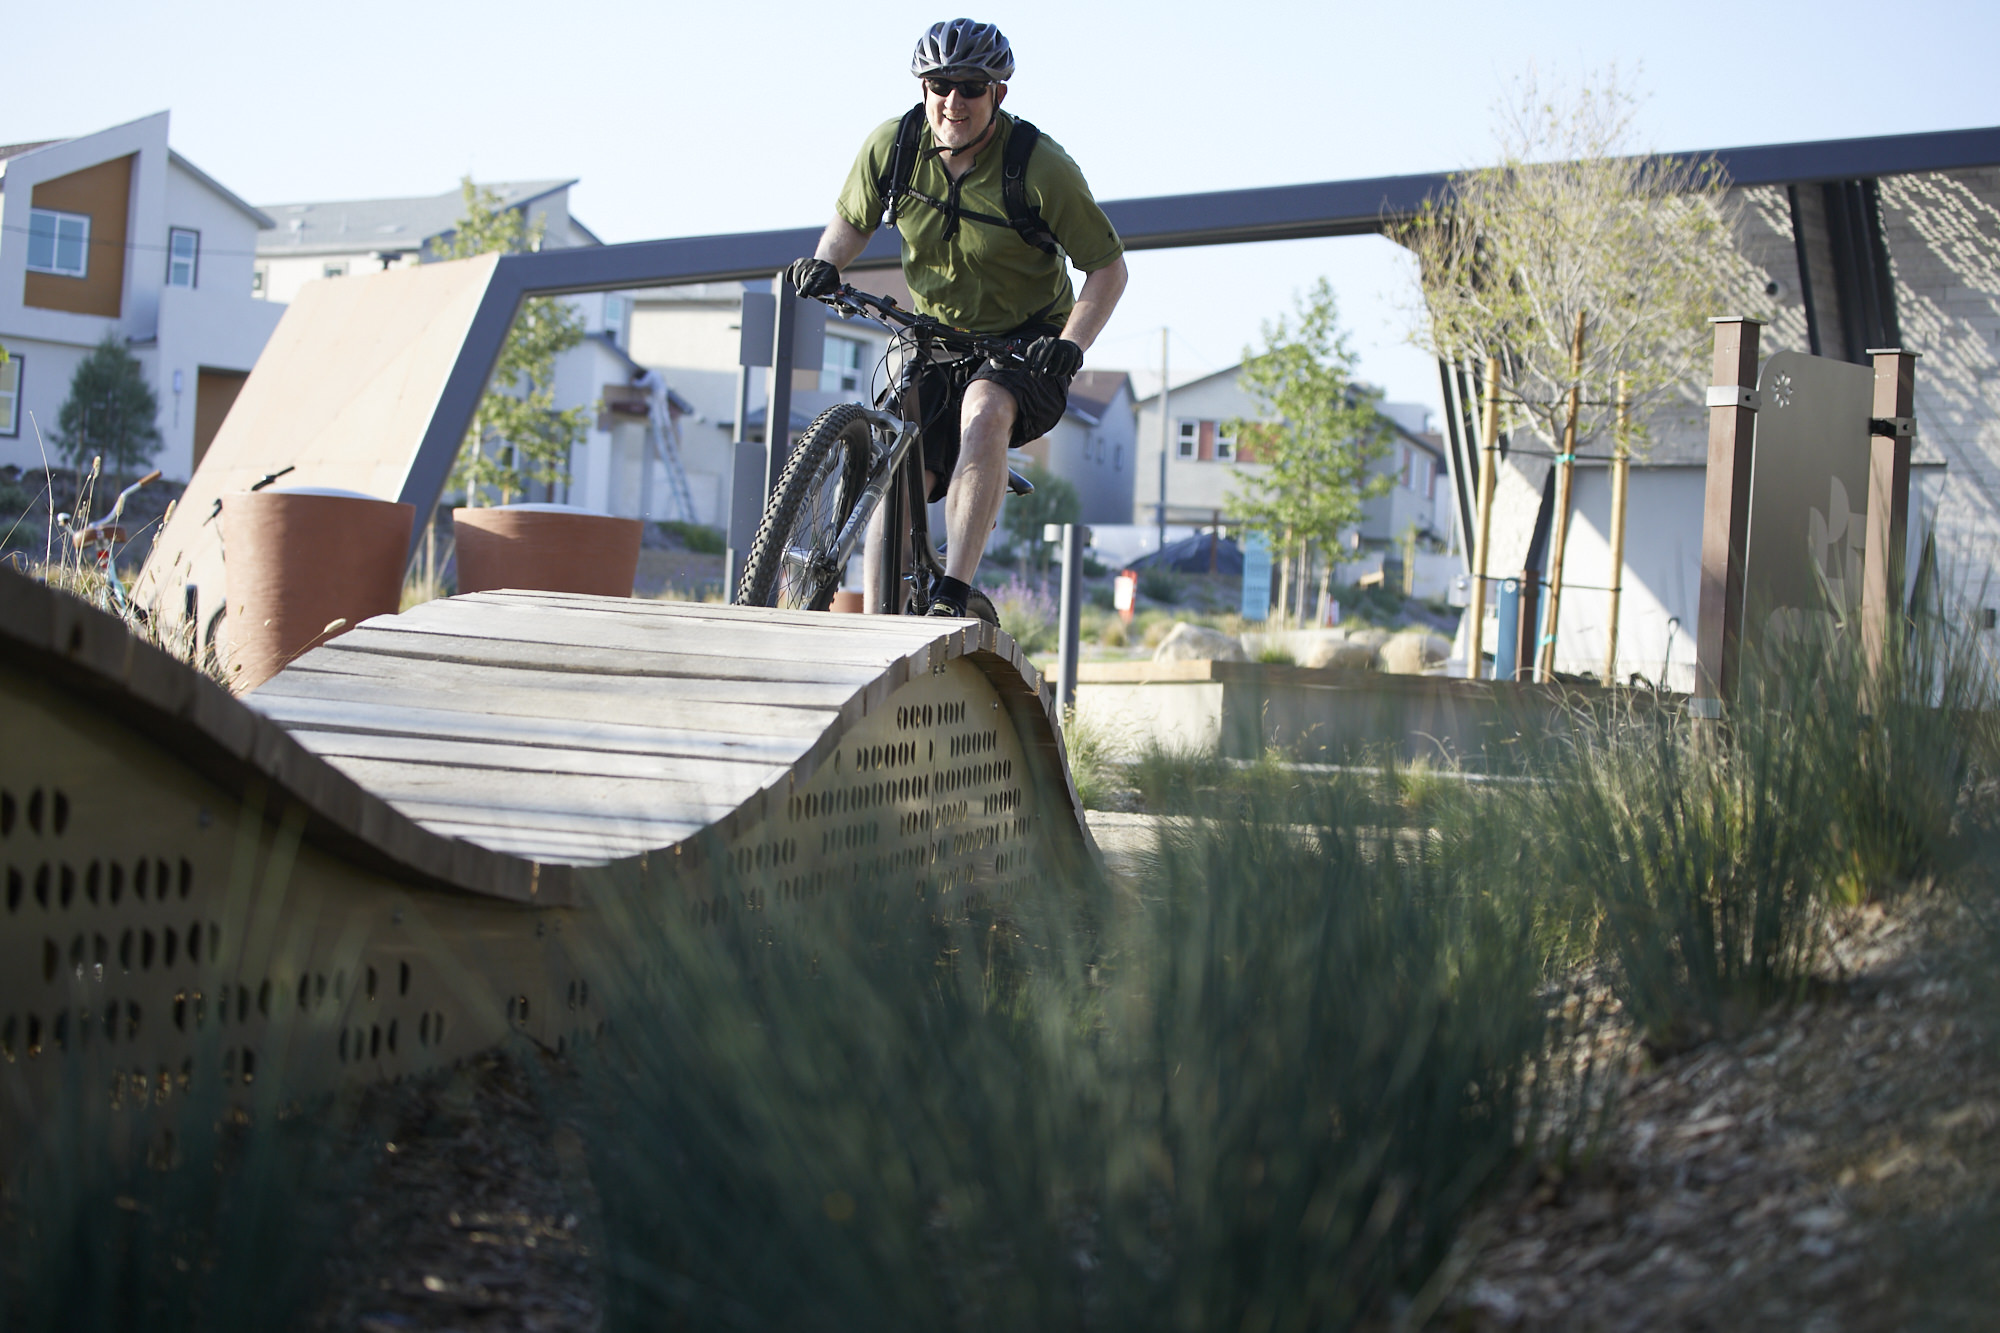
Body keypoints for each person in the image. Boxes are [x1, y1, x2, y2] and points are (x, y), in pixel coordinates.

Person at [788, 17, 1128, 620]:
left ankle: (951, 593)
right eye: (940, 83)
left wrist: (1070, 346)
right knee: (896, 470)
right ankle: (879, 617)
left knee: (986, 409)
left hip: (1027, 345)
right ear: (923, 88)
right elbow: (852, 223)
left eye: (971, 86)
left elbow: (1107, 268)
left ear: (998, 93)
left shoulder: (1039, 166)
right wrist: (823, 264)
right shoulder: (893, 147)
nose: (953, 101)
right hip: (934, 338)